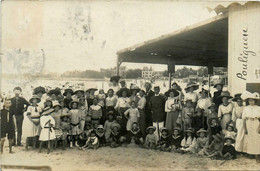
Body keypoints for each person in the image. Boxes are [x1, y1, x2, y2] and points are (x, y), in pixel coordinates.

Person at [241, 91, 260, 162]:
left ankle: (257, 155)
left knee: (257, 138)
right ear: (248, 101)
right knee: (249, 138)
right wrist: (245, 128)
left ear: (255, 101)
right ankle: (251, 153)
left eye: (253, 100)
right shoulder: (246, 108)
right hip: (248, 122)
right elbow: (243, 119)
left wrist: (259, 127)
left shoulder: (258, 108)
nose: (251, 102)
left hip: (256, 122)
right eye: (250, 100)